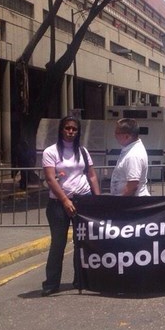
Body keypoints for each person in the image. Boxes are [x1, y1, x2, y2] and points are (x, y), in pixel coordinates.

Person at [41, 116, 100, 296]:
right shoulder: (50, 152)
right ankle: (51, 284)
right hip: (59, 204)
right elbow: (50, 179)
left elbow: (91, 176)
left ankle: (80, 279)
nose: (70, 132)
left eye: (74, 129)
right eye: (67, 128)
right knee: (58, 244)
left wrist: (98, 200)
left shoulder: (82, 151)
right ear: (61, 129)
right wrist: (65, 201)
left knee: (81, 243)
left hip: (82, 201)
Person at [110, 118, 150, 196]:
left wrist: (120, 203)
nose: (114, 135)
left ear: (127, 136)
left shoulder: (133, 155)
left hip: (131, 203)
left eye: (117, 133)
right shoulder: (131, 149)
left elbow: (132, 185)